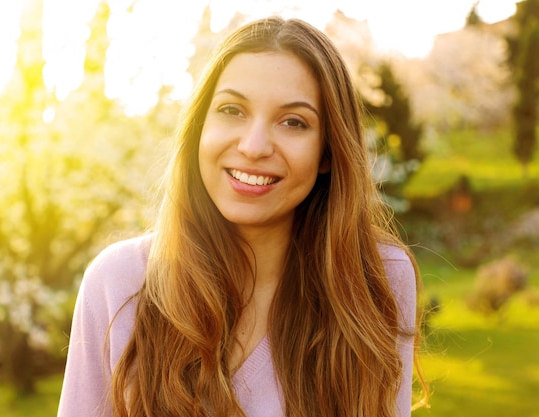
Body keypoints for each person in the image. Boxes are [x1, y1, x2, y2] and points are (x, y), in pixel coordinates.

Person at [57, 16, 426, 417]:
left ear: (327, 151)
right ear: (199, 127)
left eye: (293, 122)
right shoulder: (119, 282)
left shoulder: (378, 279)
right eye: (232, 110)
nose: (253, 146)